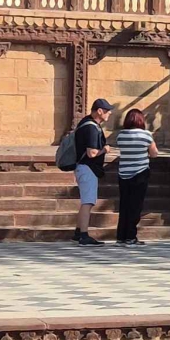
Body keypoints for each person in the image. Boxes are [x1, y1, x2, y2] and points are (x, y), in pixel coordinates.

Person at [114, 108, 159, 247]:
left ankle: (121, 236)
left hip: (123, 174)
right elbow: (154, 153)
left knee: (124, 205)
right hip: (140, 172)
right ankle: (131, 236)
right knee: (135, 206)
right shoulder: (146, 135)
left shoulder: (121, 135)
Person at [72, 98, 114, 247]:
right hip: (88, 168)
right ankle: (84, 236)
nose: (109, 113)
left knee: (86, 201)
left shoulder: (85, 123)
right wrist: (105, 150)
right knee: (88, 202)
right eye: (107, 111)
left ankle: (78, 232)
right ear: (99, 111)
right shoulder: (91, 128)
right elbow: (92, 153)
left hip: (83, 167)